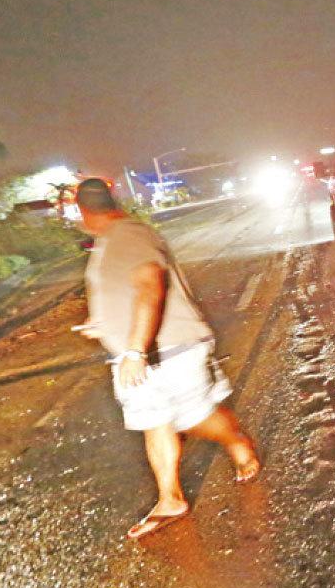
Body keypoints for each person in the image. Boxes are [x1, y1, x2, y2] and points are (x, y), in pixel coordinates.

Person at [73, 177, 260, 540]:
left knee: (193, 418)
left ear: (84, 211)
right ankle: (170, 499)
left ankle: (235, 440)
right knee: (153, 422)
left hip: (170, 348)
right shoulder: (110, 241)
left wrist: (135, 350)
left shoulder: (128, 235)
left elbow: (150, 283)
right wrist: (105, 324)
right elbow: (127, 292)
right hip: (135, 355)